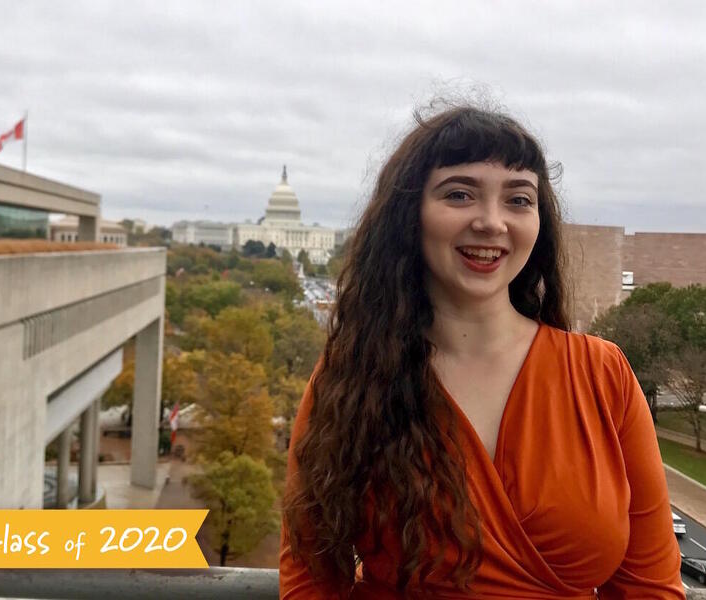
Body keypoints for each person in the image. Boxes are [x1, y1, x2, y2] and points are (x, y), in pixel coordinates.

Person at [279, 105, 684, 599]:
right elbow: (311, 577)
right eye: (459, 193)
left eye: (518, 199)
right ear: (409, 214)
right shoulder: (350, 377)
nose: (492, 222)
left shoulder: (602, 376)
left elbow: (650, 585)